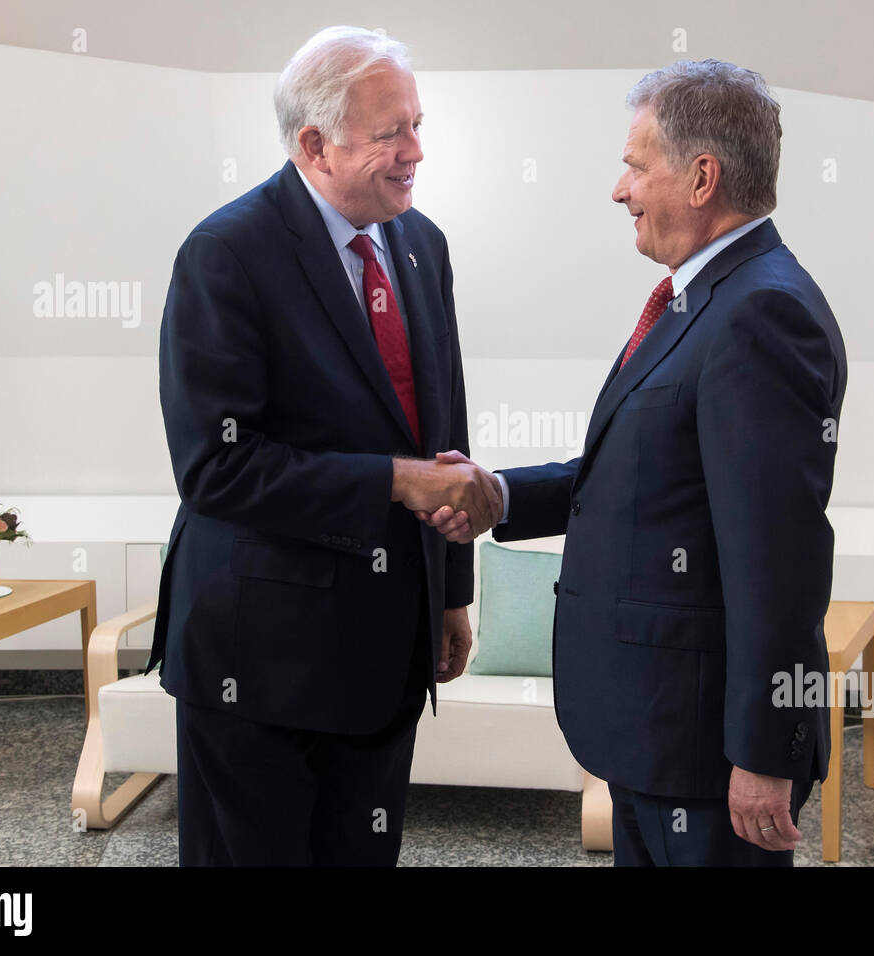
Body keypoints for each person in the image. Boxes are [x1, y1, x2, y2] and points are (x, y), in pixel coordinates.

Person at [423, 60, 847, 866]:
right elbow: (642, 475)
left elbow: (778, 558)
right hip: (653, 732)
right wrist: (501, 496)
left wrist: (763, 752)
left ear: (701, 178)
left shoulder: (763, 313)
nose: (620, 190)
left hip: (705, 749)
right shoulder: (708, 297)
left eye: (633, 165)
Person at [148, 25, 500, 865]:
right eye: (392, 135)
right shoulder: (225, 254)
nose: (416, 151)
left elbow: (441, 430)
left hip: (385, 654)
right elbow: (216, 468)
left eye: (418, 124)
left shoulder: (422, 244)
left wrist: (450, 592)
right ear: (314, 144)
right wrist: (392, 482)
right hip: (259, 664)